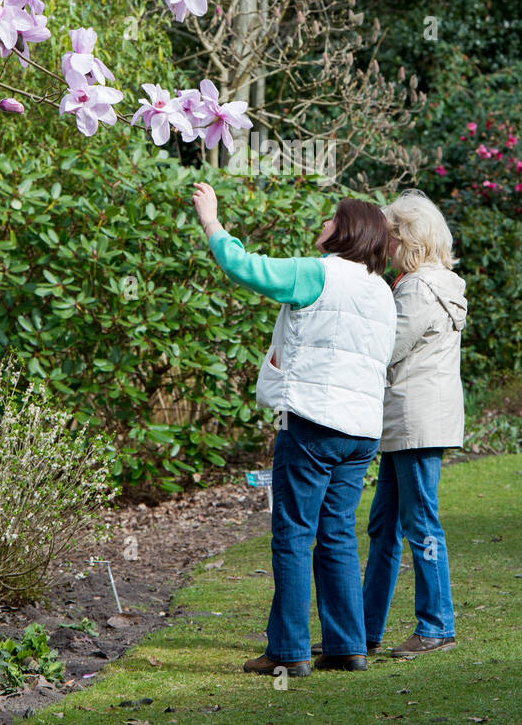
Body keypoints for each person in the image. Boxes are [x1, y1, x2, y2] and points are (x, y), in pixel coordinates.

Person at [191, 182, 396, 677]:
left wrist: (212, 223)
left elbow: (247, 268)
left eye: (330, 219)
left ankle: (288, 652)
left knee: (292, 534)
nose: (322, 225)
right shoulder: (383, 292)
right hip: (363, 430)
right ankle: (347, 647)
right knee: (338, 535)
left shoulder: (316, 274)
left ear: (345, 231)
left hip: (311, 420)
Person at [362, 189, 467, 658]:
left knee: (420, 521)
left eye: (388, 236)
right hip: (409, 421)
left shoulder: (419, 288)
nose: (382, 245)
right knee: (384, 525)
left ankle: (436, 625)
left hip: (413, 420)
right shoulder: (434, 282)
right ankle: (361, 630)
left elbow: (385, 350)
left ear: (407, 238)